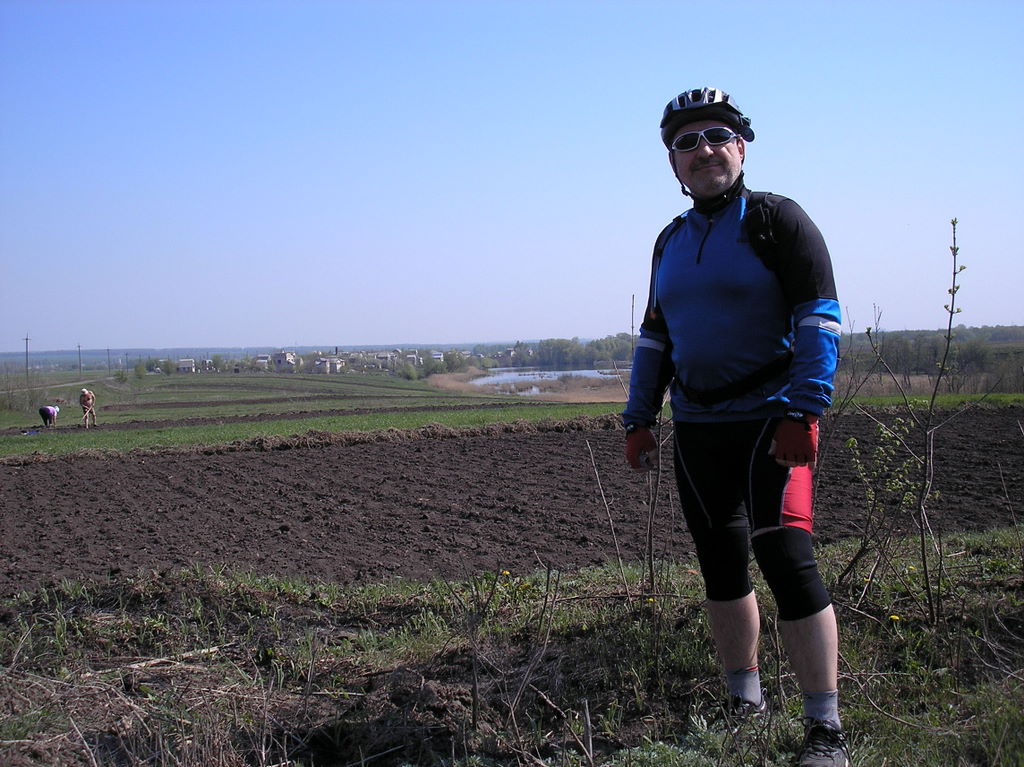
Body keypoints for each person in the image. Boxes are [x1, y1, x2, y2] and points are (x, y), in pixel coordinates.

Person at [622, 87, 850, 767]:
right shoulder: (669, 240)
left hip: (771, 425)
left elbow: (819, 318)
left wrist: (804, 411)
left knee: (788, 561)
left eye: (717, 135)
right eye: (686, 142)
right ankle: (743, 702)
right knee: (721, 568)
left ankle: (825, 729)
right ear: (672, 161)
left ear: (741, 148)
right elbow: (656, 337)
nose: (703, 150)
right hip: (697, 430)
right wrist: (639, 418)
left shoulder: (779, 220)